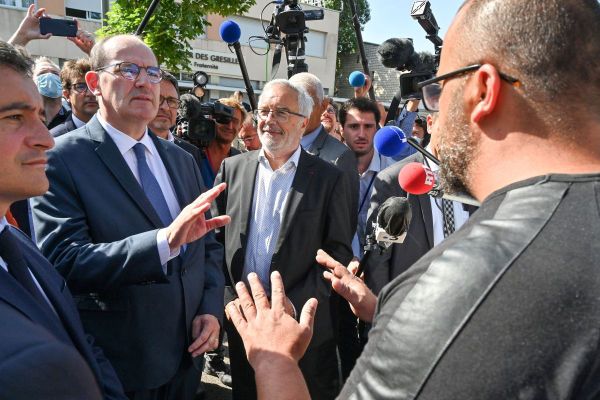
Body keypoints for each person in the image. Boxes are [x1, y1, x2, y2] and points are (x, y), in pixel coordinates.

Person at [225, 0, 600, 398]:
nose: (433, 106)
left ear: (483, 90)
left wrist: (275, 361)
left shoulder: (460, 287)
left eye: (439, 89)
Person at [31, 34, 230, 400]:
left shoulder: (180, 159)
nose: (143, 81)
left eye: (152, 72)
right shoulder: (61, 159)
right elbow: (64, 260)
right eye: (128, 69)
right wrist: (164, 242)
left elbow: (207, 244)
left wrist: (210, 309)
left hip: (188, 360)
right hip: (120, 367)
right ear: (94, 83)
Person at [212, 79, 354, 400]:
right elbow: (215, 243)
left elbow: (337, 255)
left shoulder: (329, 178)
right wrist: (227, 303)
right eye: (263, 111)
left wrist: (289, 306)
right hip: (243, 322)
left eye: (281, 112)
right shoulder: (232, 169)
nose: (269, 120)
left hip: (300, 327)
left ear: (303, 123)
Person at [0, 39, 126, 400]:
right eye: (14, 117)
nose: (46, 140)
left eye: (41, 116)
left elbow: (79, 339)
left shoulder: (18, 243)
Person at [363, 112, 473, 295]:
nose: (456, 135)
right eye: (449, 125)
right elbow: (378, 256)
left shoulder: (474, 182)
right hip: (409, 305)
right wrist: (382, 313)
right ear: (430, 123)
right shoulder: (396, 181)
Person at [288, 72, 359, 229]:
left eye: (307, 101)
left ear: (324, 104)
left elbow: (343, 225)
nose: (300, 109)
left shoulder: (340, 157)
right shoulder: (278, 147)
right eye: (294, 101)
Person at [338, 97, 396, 259]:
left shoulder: (393, 172)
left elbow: (396, 233)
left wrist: (374, 264)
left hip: (379, 265)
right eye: (354, 126)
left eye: (368, 126)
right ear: (341, 129)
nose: (361, 134)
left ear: (377, 129)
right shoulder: (328, 170)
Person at [148, 71, 204, 170]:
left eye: (171, 101)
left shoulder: (191, 153)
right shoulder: (131, 147)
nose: (165, 107)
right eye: (158, 98)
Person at [200, 97, 246, 186]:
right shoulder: (195, 154)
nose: (229, 126)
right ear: (211, 119)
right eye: (224, 119)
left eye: (235, 121)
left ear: (240, 127)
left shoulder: (240, 161)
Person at [51, 58, 98, 137]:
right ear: (66, 94)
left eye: (93, 85)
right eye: (80, 86)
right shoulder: (54, 139)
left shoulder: (119, 131)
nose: (90, 93)